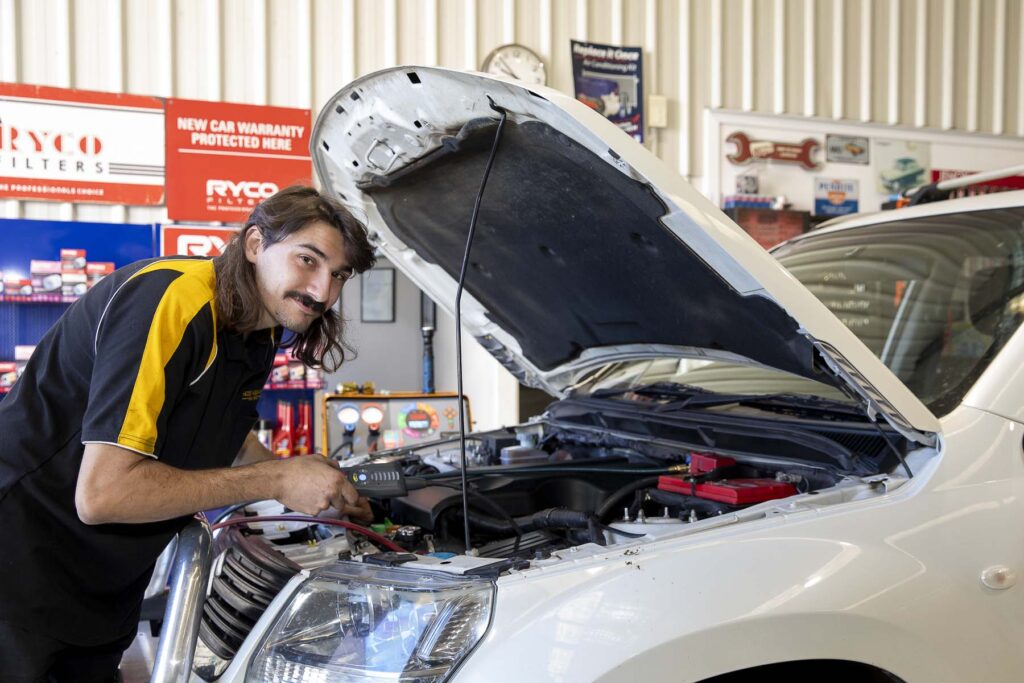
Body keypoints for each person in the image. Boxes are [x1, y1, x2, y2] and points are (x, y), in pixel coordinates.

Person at [0, 185, 377, 681]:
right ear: (255, 245)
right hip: (19, 568)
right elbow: (103, 493)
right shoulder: (174, 300)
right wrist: (277, 482)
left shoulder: (256, 330)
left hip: (97, 585)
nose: (322, 291)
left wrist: (308, 482)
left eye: (339, 275)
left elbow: (221, 432)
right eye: (308, 260)